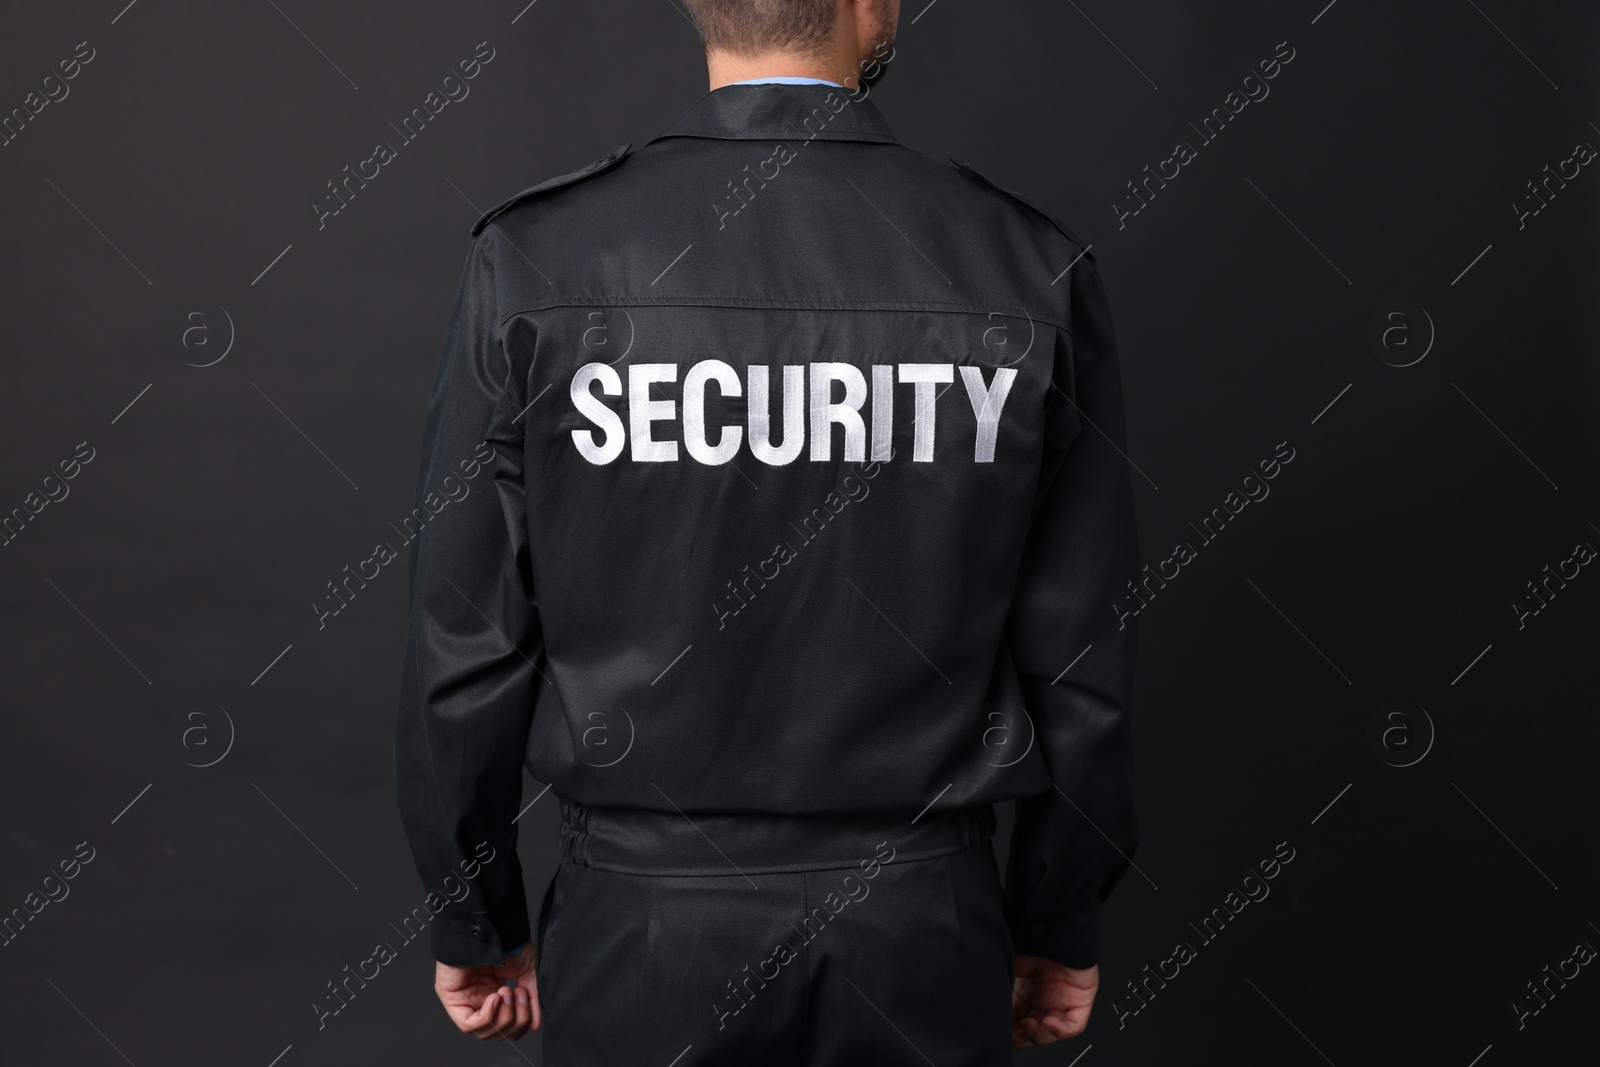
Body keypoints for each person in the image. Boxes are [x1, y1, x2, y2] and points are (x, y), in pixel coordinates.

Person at [393, 0, 1142, 1061]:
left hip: (644, 935)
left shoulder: (540, 259)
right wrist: (1056, 913)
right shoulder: (1024, 265)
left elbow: (461, 651)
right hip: (921, 927)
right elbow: (1082, 659)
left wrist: (475, 910)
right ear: (867, 2)